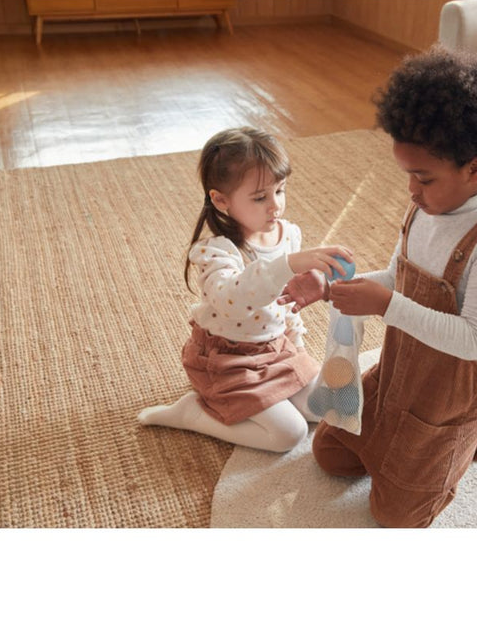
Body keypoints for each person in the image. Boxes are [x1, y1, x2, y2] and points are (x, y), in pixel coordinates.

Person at [311, 45, 477, 527]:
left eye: (424, 178)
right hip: (401, 370)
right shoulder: (425, 209)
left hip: (449, 389)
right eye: (408, 175)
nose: (412, 190)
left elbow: (476, 340)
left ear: (476, 167)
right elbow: (396, 279)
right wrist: (330, 289)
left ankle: (468, 429)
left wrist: (385, 304)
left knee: (396, 517)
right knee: (329, 453)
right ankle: (422, 442)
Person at [138, 126, 353, 453]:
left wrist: (296, 346)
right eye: (259, 197)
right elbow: (233, 300)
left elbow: (287, 302)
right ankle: (194, 413)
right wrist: (288, 264)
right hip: (228, 361)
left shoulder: (287, 234)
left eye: (280, 190)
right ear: (221, 200)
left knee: (324, 407)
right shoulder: (217, 251)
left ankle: (270, 394)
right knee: (288, 435)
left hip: (275, 351)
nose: (275, 206)